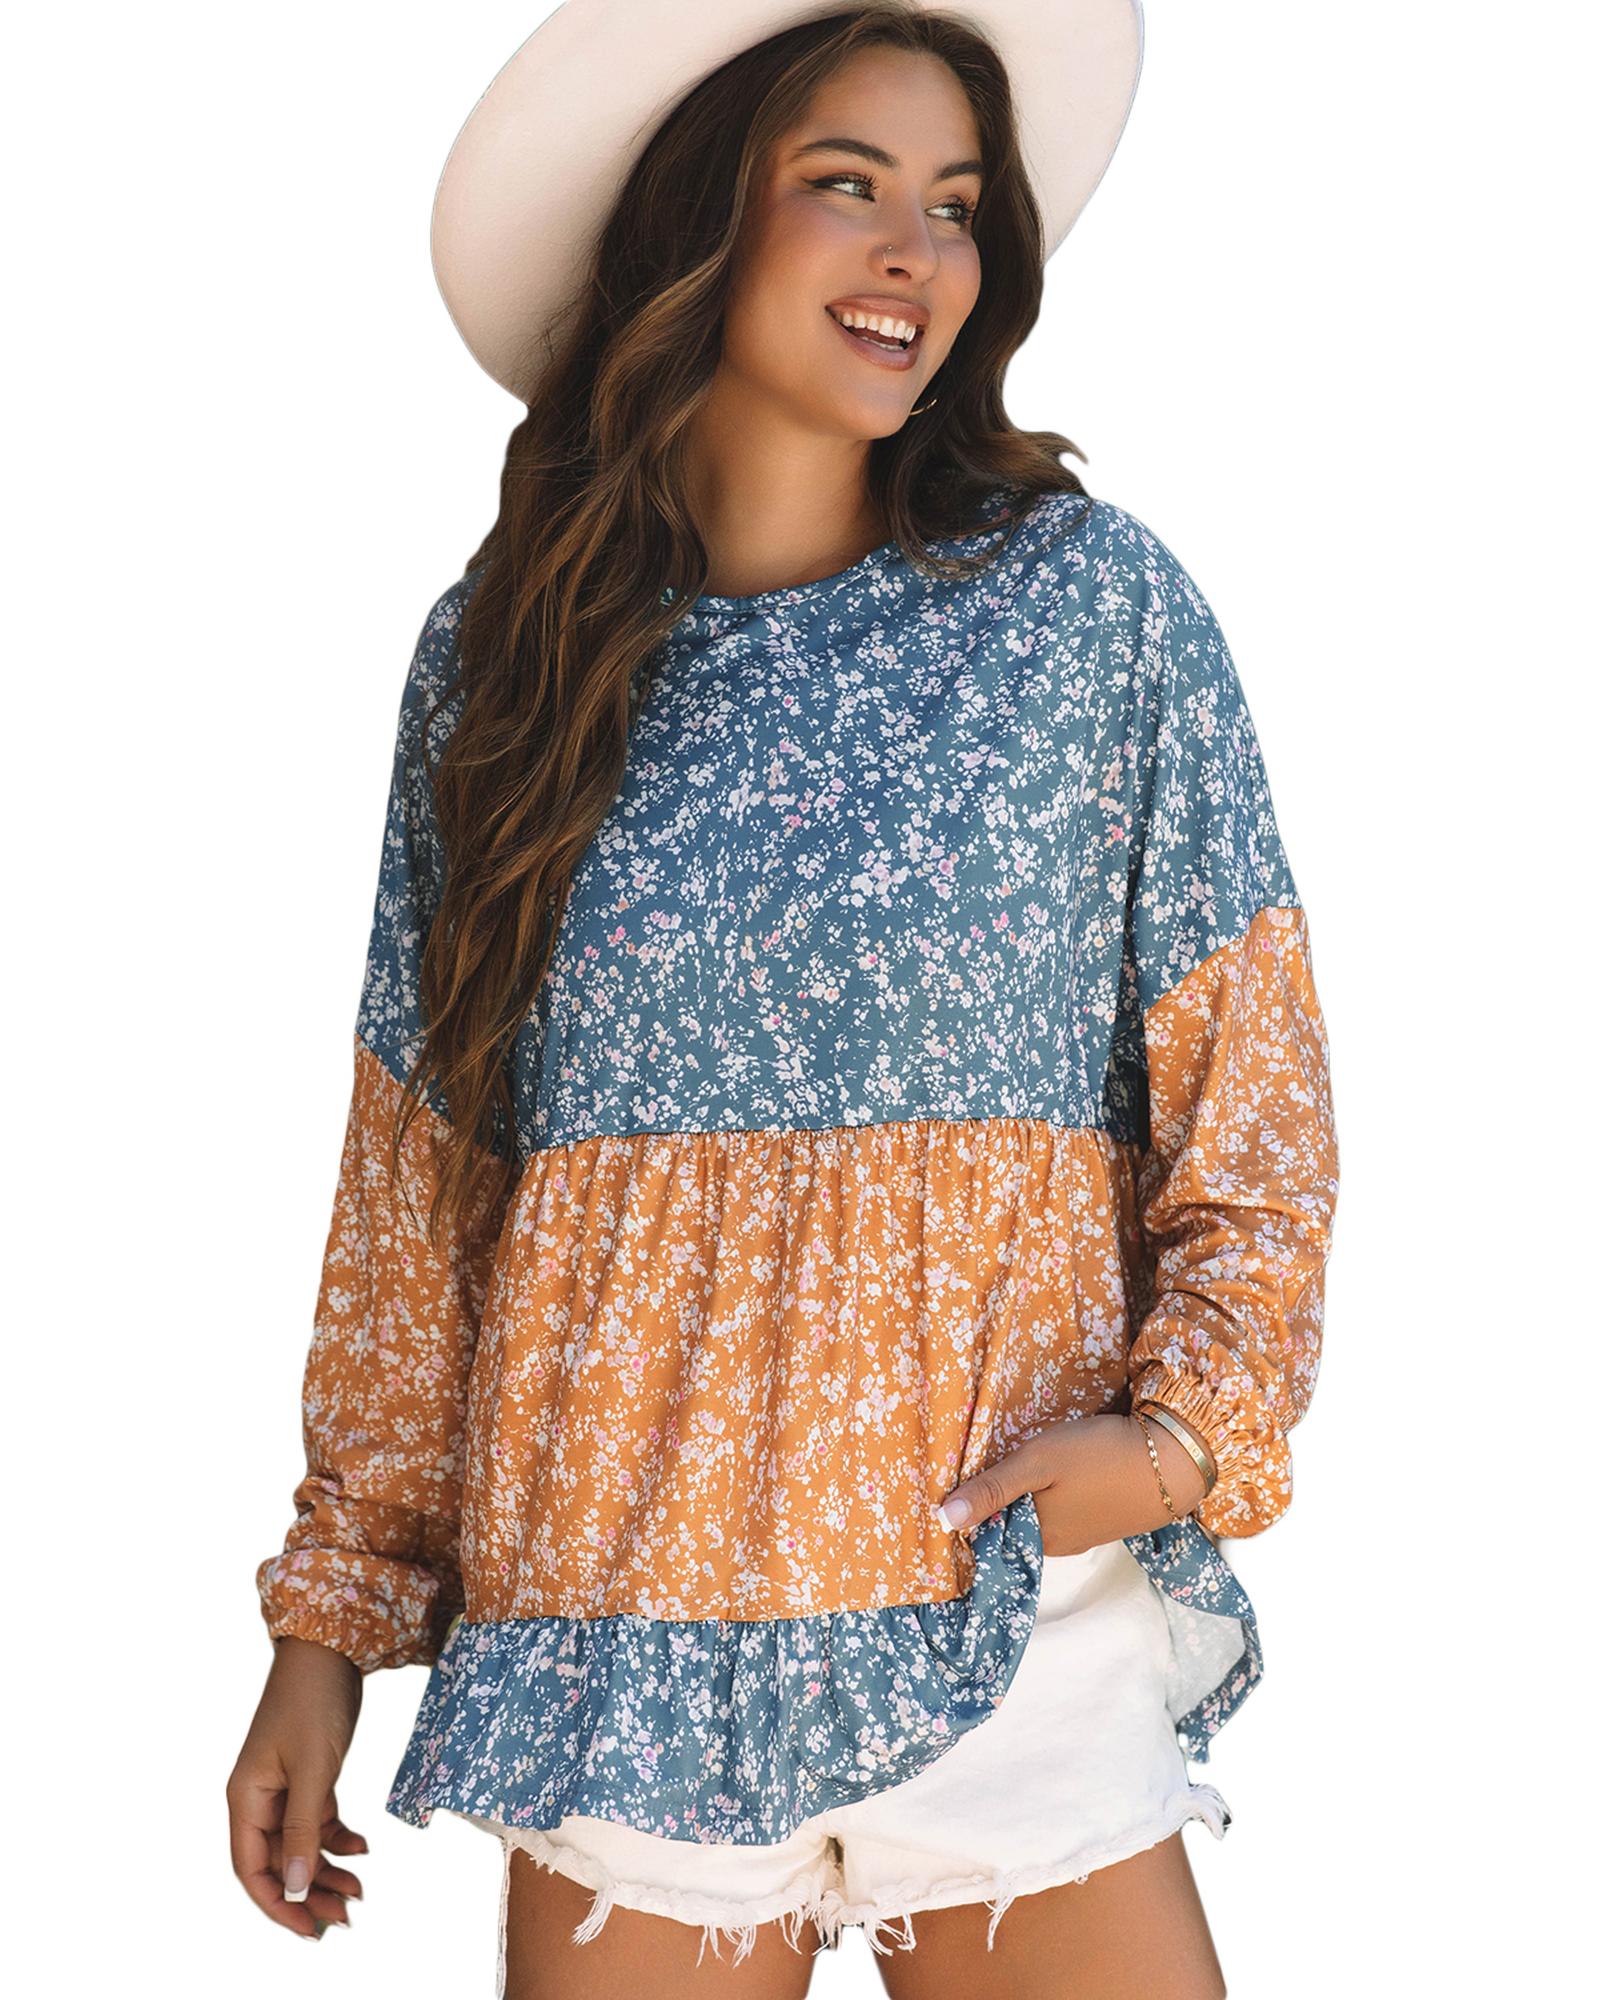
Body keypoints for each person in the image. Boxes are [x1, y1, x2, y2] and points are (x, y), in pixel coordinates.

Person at [227, 4, 1340, 1995]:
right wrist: (329, 1625)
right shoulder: (502, 662)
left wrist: (1182, 1441)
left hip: (999, 1609)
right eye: (847, 185)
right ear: (696, 218)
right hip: (612, 1629)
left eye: (957, 206)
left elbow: (1249, 1094)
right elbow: (419, 1185)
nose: (916, 253)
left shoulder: (1089, 615)